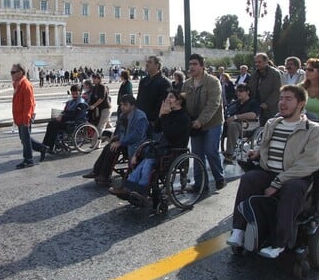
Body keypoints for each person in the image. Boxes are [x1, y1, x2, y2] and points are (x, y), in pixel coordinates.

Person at [226, 85, 319, 258]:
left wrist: (278, 182)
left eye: (288, 99)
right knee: (249, 179)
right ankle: (239, 230)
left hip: (295, 176)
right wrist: (258, 151)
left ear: (301, 104)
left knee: (292, 189)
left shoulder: (314, 131)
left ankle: (279, 242)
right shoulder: (272, 123)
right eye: (281, 98)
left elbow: (308, 163)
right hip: (270, 172)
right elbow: (265, 144)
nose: (282, 102)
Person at [109, 90, 191, 206]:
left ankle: (139, 191)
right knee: (143, 161)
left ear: (179, 101)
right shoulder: (169, 114)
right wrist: (161, 115)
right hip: (163, 148)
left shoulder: (183, 117)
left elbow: (170, 133)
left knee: (148, 163)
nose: (168, 100)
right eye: (167, 97)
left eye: (171, 97)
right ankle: (129, 188)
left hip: (175, 151)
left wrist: (165, 116)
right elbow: (157, 129)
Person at [182, 53, 226, 191]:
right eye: (190, 64)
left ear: (202, 66)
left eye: (195, 64)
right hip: (194, 123)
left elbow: (213, 104)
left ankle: (219, 178)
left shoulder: (213, 82)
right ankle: (200, 184)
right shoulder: (187, 84)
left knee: (210, 151)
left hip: (213, 122)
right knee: (196, 154)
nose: (191, 67)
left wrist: (201, 121)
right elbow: (182, 104)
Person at [82, 94, 148, 185]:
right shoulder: (123, 115)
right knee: (108, 147)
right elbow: (120, 129)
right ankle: (97, 171)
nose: (122, 107)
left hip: (136, 144)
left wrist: (121, 142)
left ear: (132, 106)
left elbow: (136, 136)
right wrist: (116, 136)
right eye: (121, 105)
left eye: (125, 105)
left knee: (112, 149)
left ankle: (104, 175)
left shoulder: (140, 117)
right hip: (125, 140)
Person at [11, 63, 47, 169]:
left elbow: (29, 103)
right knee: (24, 138)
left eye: (13, 72)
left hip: (24, 117)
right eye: (11, 72)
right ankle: (42, 148)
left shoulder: (25, 84)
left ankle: (29, 160)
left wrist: (26, 118)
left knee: (25, 140)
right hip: (19, 116)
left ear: (20, 72)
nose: (11, 74)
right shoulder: (18, 84)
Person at [41, 84, 87, 153]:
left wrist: (62, 117)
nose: (74, 95)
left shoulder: (81, 103)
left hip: (74, 123)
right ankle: (45, 144)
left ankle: (50, 146)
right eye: (73, 94)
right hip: (67, 120)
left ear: (80, 93)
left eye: (76, 94)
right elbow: (65, 111)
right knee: (51, 124)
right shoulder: (70, 102)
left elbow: (75, 116)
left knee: (55, 126)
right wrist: (61, 115)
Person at [222, 84, 259, 163]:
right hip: (235, 126)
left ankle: (230, 154)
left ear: (247, 92)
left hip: (248, 127)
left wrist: (236, 117)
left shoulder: (253, 102)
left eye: (241, 91)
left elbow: (253, 115)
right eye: (237, 91)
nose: (238, 93)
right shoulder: (236, 103)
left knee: (233, 125)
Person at [136, 56, 171, 135]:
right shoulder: (143, 81)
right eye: (147, 62)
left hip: (155, 123)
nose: (147, 64)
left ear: (157, 65)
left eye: (150, 62)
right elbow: (139, 99)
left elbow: (165, 103)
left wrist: (156, 120)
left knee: (154, 145)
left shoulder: (164, 82)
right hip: (142, 120)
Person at [249, 53, 281, 126]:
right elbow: (251, 88)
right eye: (256, 62)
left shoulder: (275, 74)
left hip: (272, 109)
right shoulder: (254, 74)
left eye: (259, 62)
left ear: (266, 61)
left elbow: (277, 91)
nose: (257, 64)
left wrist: (267, 104)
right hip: (257, 107)